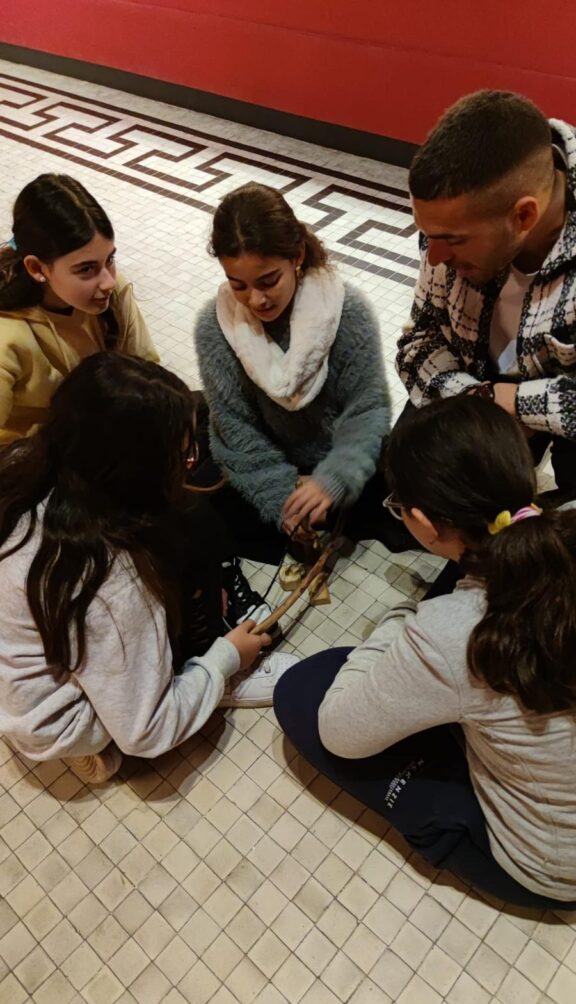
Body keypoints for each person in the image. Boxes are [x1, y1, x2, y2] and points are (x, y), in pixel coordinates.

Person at [274, 395, 576, 908]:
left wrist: (403, 621)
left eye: (398, 508)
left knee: (303, 689)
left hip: (551, 866)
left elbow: (340, 732)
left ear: (423, 522)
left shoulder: (451, 633)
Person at [0, 353, 297, 784]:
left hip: (19, 668)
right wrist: (225, 659)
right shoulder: (109, 580)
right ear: (135, 472)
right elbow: (148, 732)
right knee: (196, 528)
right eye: (183, 456)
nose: (190, 462)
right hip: (60, 719)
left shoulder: (25, 463)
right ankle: (98, 734)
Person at [195, 182, 410, 563]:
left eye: (268, 281)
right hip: (274, 461)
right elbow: (234, 429)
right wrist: (284, 496)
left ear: (296, 256)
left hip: (336, 455)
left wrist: (332, 480)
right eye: (237, 285)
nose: (256, 299)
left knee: (400, 506)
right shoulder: (216, 327)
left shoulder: (346, 312)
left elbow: (366, 411)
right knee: (204, 515)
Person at [397, 90, 576, 497]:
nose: (435, 257)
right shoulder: (450, 228)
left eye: (453, 240)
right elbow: (418, 341)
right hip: (472, 383)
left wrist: (517, 403)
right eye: (427, 236)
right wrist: (479, 399)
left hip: (546, 403)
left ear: (524, 215)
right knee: (405, 479)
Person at [0, 173, 159, 444]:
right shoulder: (8, 336)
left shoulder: (113, 293)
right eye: (86, 269)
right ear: (37, 268)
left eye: (109, 259)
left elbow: (147, 373)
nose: (108, 282)